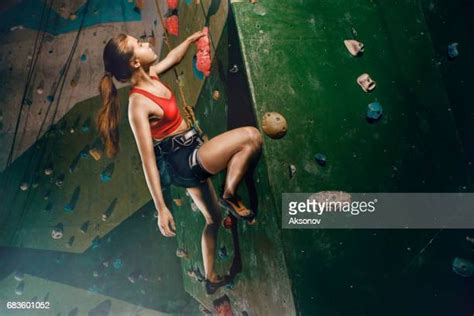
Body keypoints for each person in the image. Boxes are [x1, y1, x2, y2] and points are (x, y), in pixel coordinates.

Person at [97, 32, 263, 294]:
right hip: (186, 160)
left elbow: (172, 58)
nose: (146, 43)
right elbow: (147, 161)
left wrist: (192, 39)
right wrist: (161, 208)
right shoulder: (137, 105)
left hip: (190, 153)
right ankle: (229, 193)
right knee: (251, 137)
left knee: (213, 219)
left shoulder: (151, 76)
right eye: (139, 44)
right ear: (134, 63)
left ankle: (210, 278)